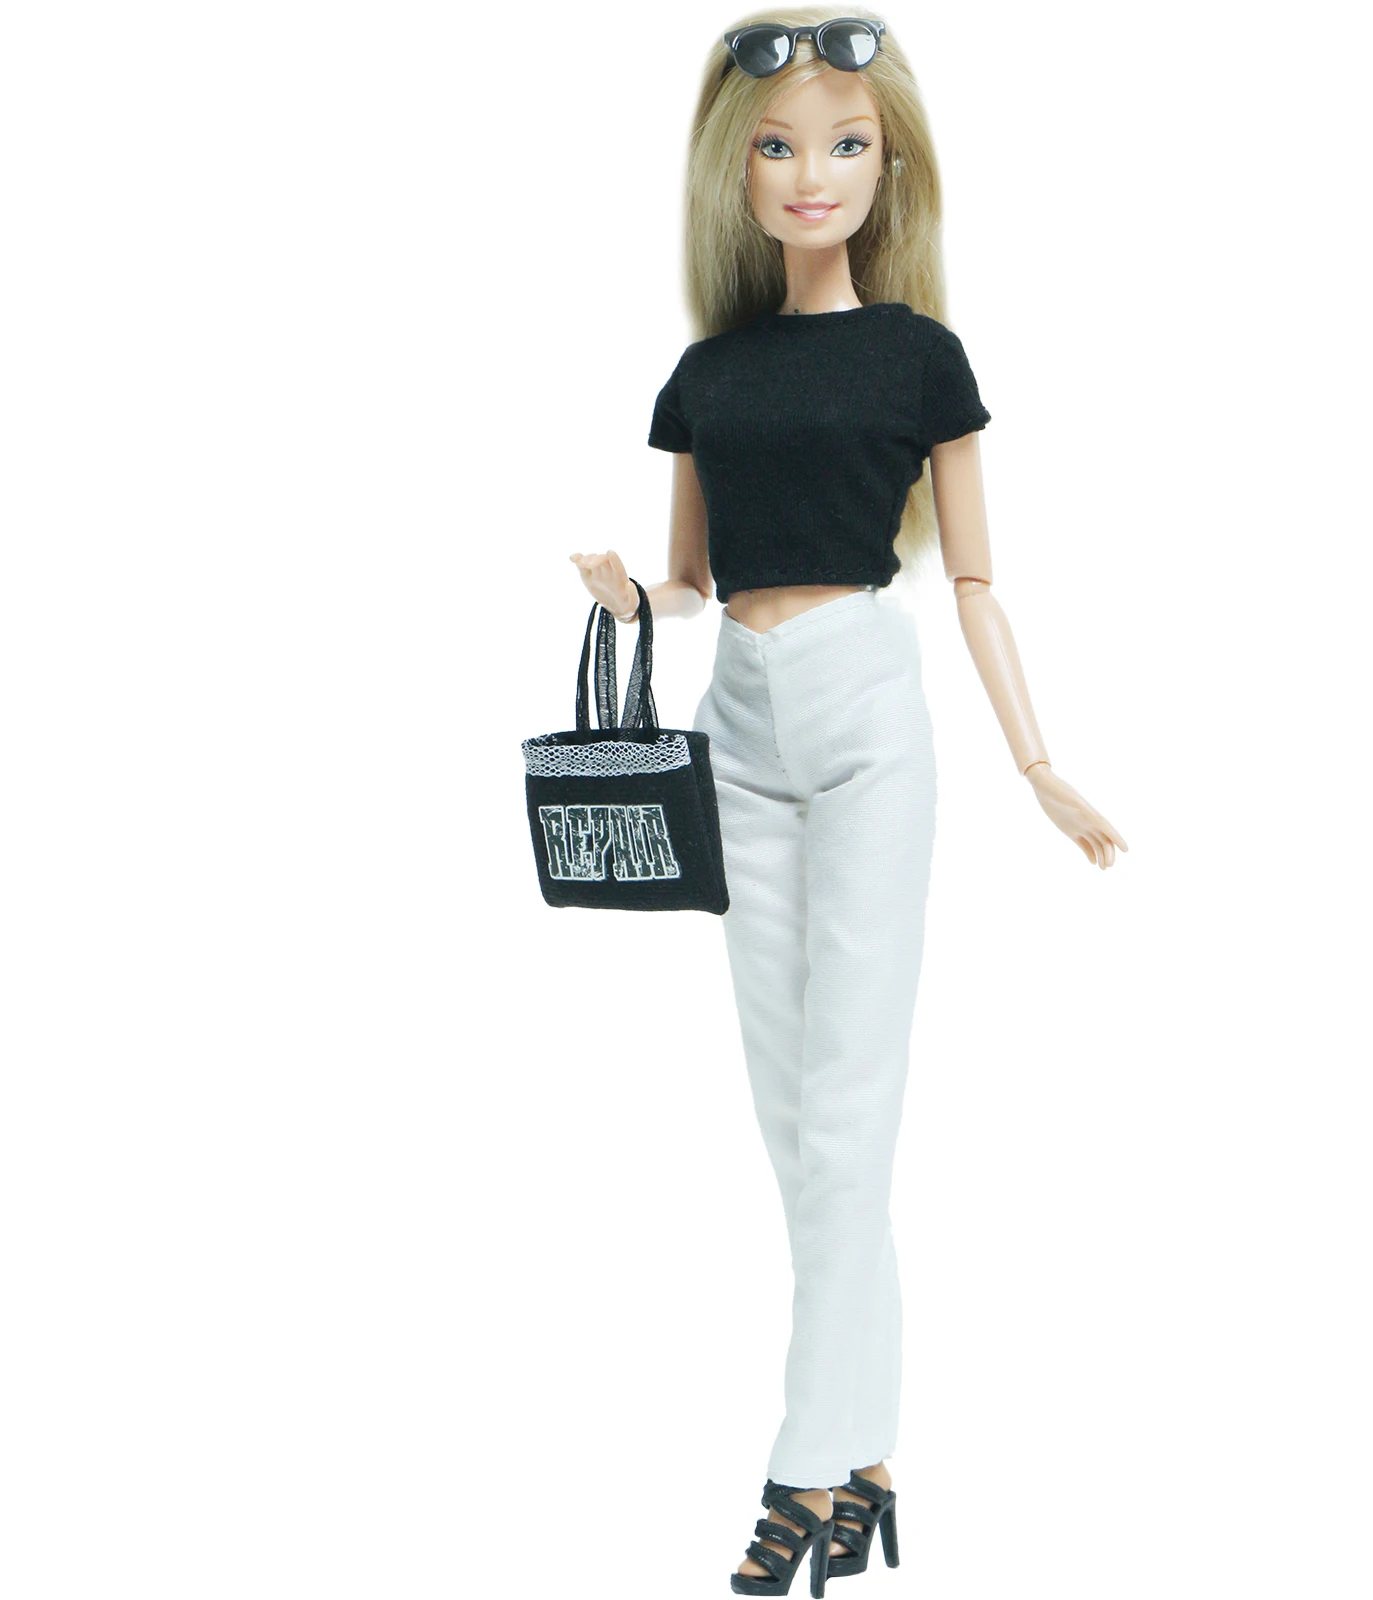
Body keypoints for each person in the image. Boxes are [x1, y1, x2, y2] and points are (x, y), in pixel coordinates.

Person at [569, 10, 1128, 1592]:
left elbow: (978, 580)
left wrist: (1037, 764)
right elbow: (693, 578)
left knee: (851, 1114)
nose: (810, 172)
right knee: (800, 1125)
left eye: (845, 143)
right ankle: (871, 1458)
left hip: (872, 713)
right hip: (736, 725)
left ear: (891, 166)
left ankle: (801, 1473)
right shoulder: (705, 377)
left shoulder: (923, 361)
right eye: (775, 145)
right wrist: (633, 600)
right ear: (732, 170)